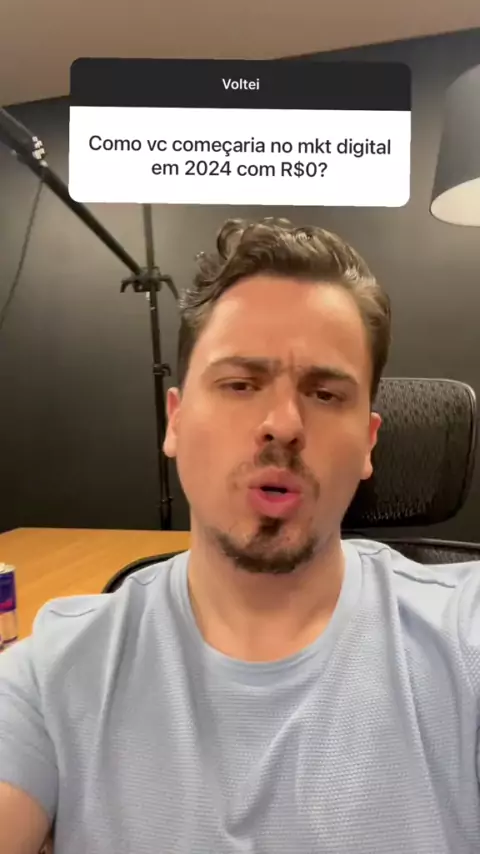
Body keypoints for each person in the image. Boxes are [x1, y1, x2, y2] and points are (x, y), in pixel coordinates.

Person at [1, 217, 479, 854]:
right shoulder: (50, 677)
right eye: (240, 384)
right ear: (175, 422)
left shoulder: (466, 637)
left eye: (324, 393)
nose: (283, 423)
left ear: (369, 443)